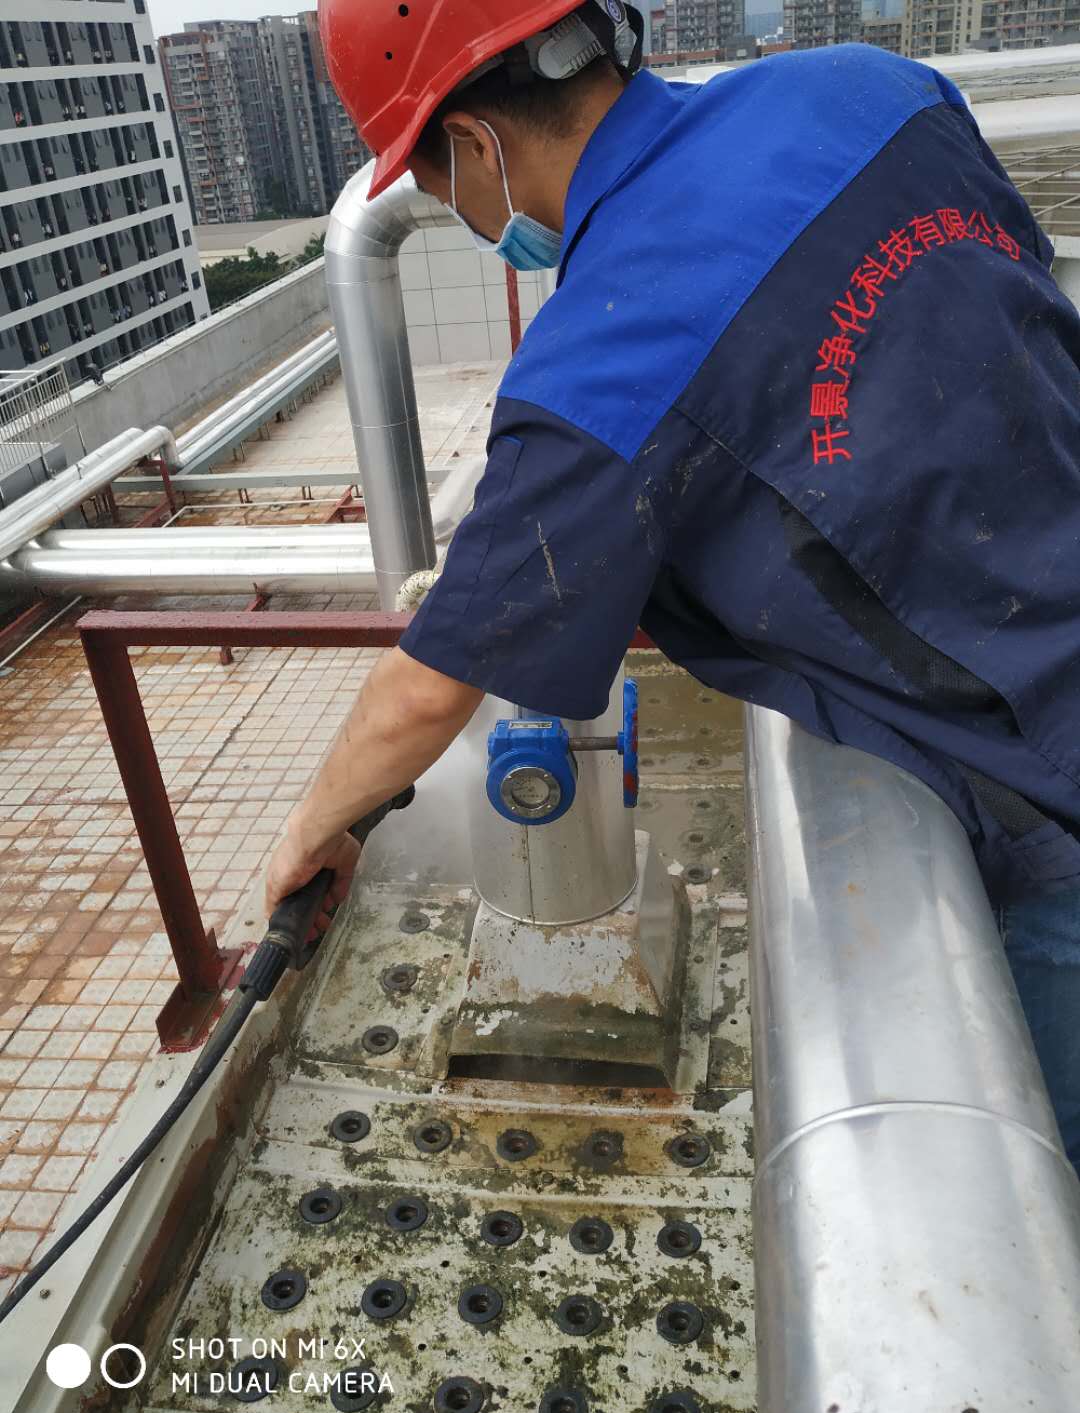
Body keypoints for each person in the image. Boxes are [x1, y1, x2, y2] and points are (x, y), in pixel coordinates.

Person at [265, 1, 1080, 1170]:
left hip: (1045, 788)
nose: (460, 215)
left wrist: (311, 831)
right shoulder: (874, 88)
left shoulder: (604, 355)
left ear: (477, 144)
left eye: (440, 187)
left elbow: (434, 683)